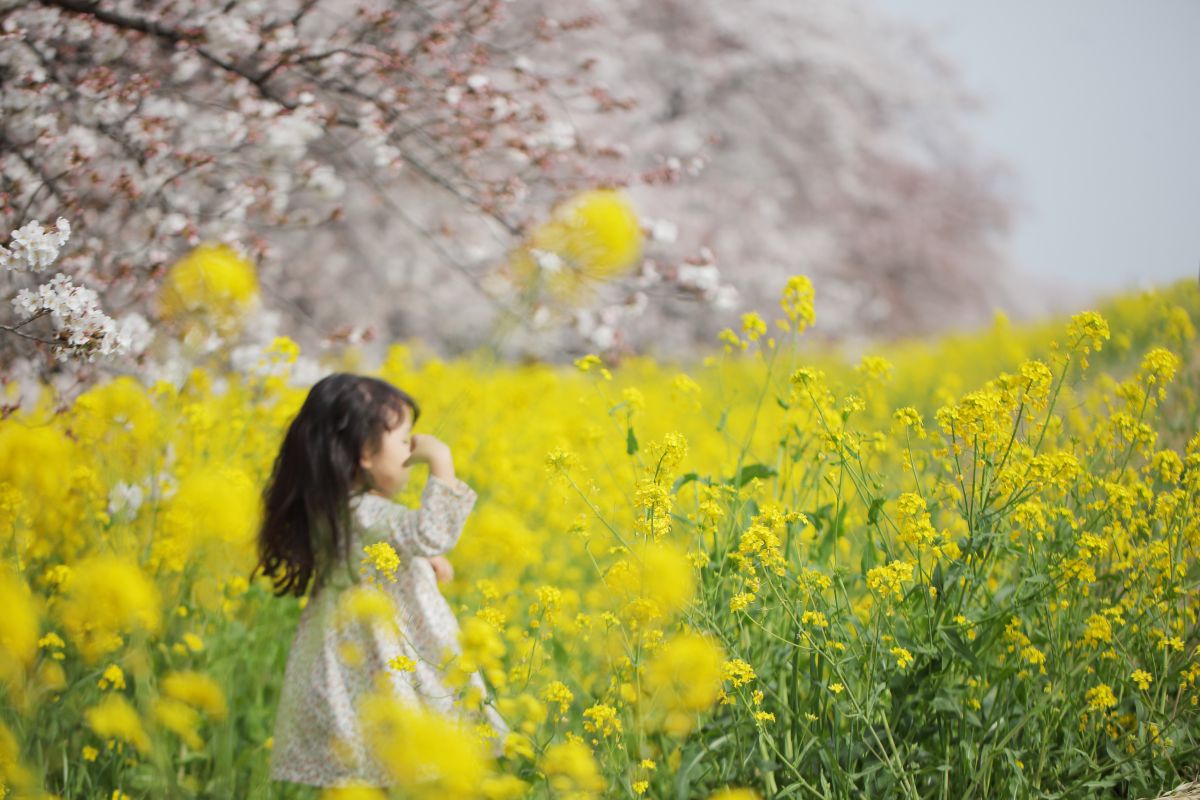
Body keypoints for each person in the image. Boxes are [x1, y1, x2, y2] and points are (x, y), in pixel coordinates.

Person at [253, 372, 509, 787]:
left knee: (365, 774)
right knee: (407, 761)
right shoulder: (368, 514)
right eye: (405, 439)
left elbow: (375, 557)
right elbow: (431, 532)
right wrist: (440, 459)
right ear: (365, 456)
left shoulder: (335, 510)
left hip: (345, 660)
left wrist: (422, 562)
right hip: (380, 660)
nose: (412, 450)